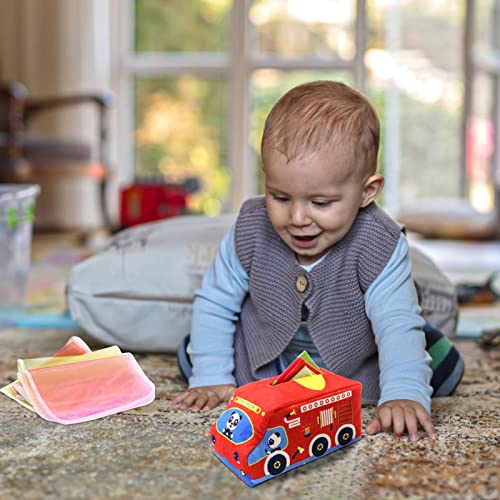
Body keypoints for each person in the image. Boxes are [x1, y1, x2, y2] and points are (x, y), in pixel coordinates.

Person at [170, 81, 464, 441]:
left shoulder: (379, 244)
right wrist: (212, 377)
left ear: (367, 192)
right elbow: (215, 301)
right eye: (279, 196)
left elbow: (395, 323)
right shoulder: (250, 228)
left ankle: (425, 350)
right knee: (195, 355)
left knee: (436, 370)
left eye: (321, 203)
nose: (297, 218)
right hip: (266, 354)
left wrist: (403, 393)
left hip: (356, 361)